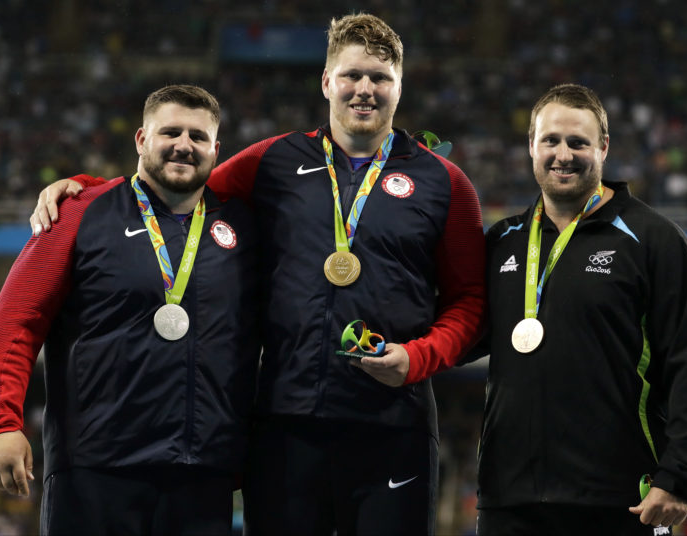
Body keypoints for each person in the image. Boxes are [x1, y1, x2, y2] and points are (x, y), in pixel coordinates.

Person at [28, 13, 487, 536]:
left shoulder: (445, 182)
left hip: (393, 424)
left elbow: (470, 303)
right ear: (326, 82)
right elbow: (171, 187)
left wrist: (418, 358)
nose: (365, 89)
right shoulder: (273, 160)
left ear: (400, 87)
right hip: (284, 426)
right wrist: (88, 191)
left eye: (380, 78)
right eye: (352, 75)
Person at [0, 85, 259, 535]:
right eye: (170, 132)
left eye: (198, 136)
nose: (184, 145)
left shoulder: (241, 226)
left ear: (216, 150)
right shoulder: (76, 213)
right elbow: (16, 319)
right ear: (141, 140)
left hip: (202, 473)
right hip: (96, 470)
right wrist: (0, 423)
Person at [475, 83, 687, 535]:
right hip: (509, 501)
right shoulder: (502, 241)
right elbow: (459, 331)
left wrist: (680, 477)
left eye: (579, 142)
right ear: (531, 145)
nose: (563, 154)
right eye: (550, 140)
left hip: (620, 500)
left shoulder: (653, 240)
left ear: (604, 148)